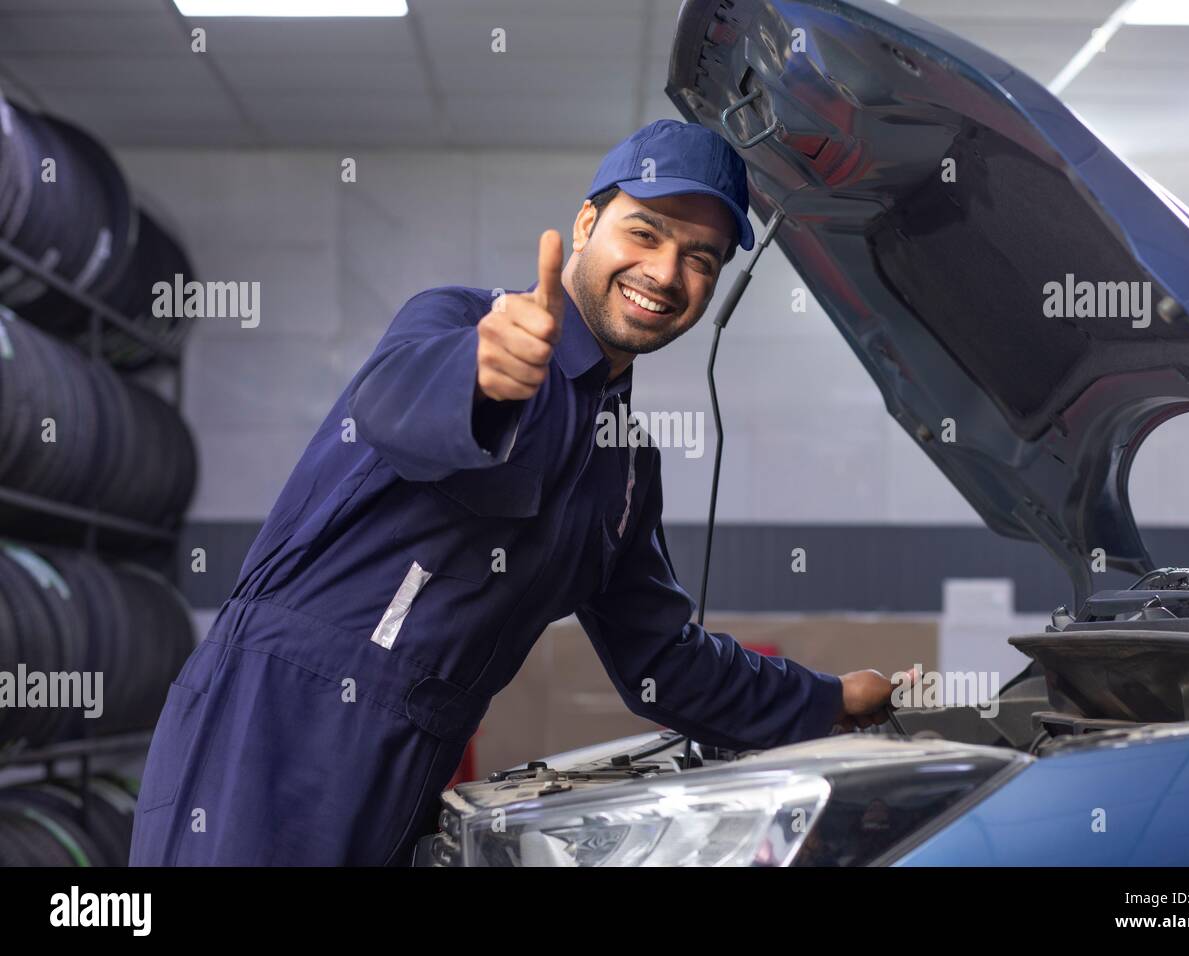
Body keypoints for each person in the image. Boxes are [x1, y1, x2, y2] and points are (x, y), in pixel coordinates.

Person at [129, 119, 907, 867]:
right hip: (269, 730)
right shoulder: (463, 321)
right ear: (584, 225)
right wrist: (480, 379)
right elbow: (397, 403)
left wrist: (830, 698)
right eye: (644, 232)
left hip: (412, 758)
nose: (666, 274)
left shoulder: (626, 462)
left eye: (700, 257)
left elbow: (663, 662)